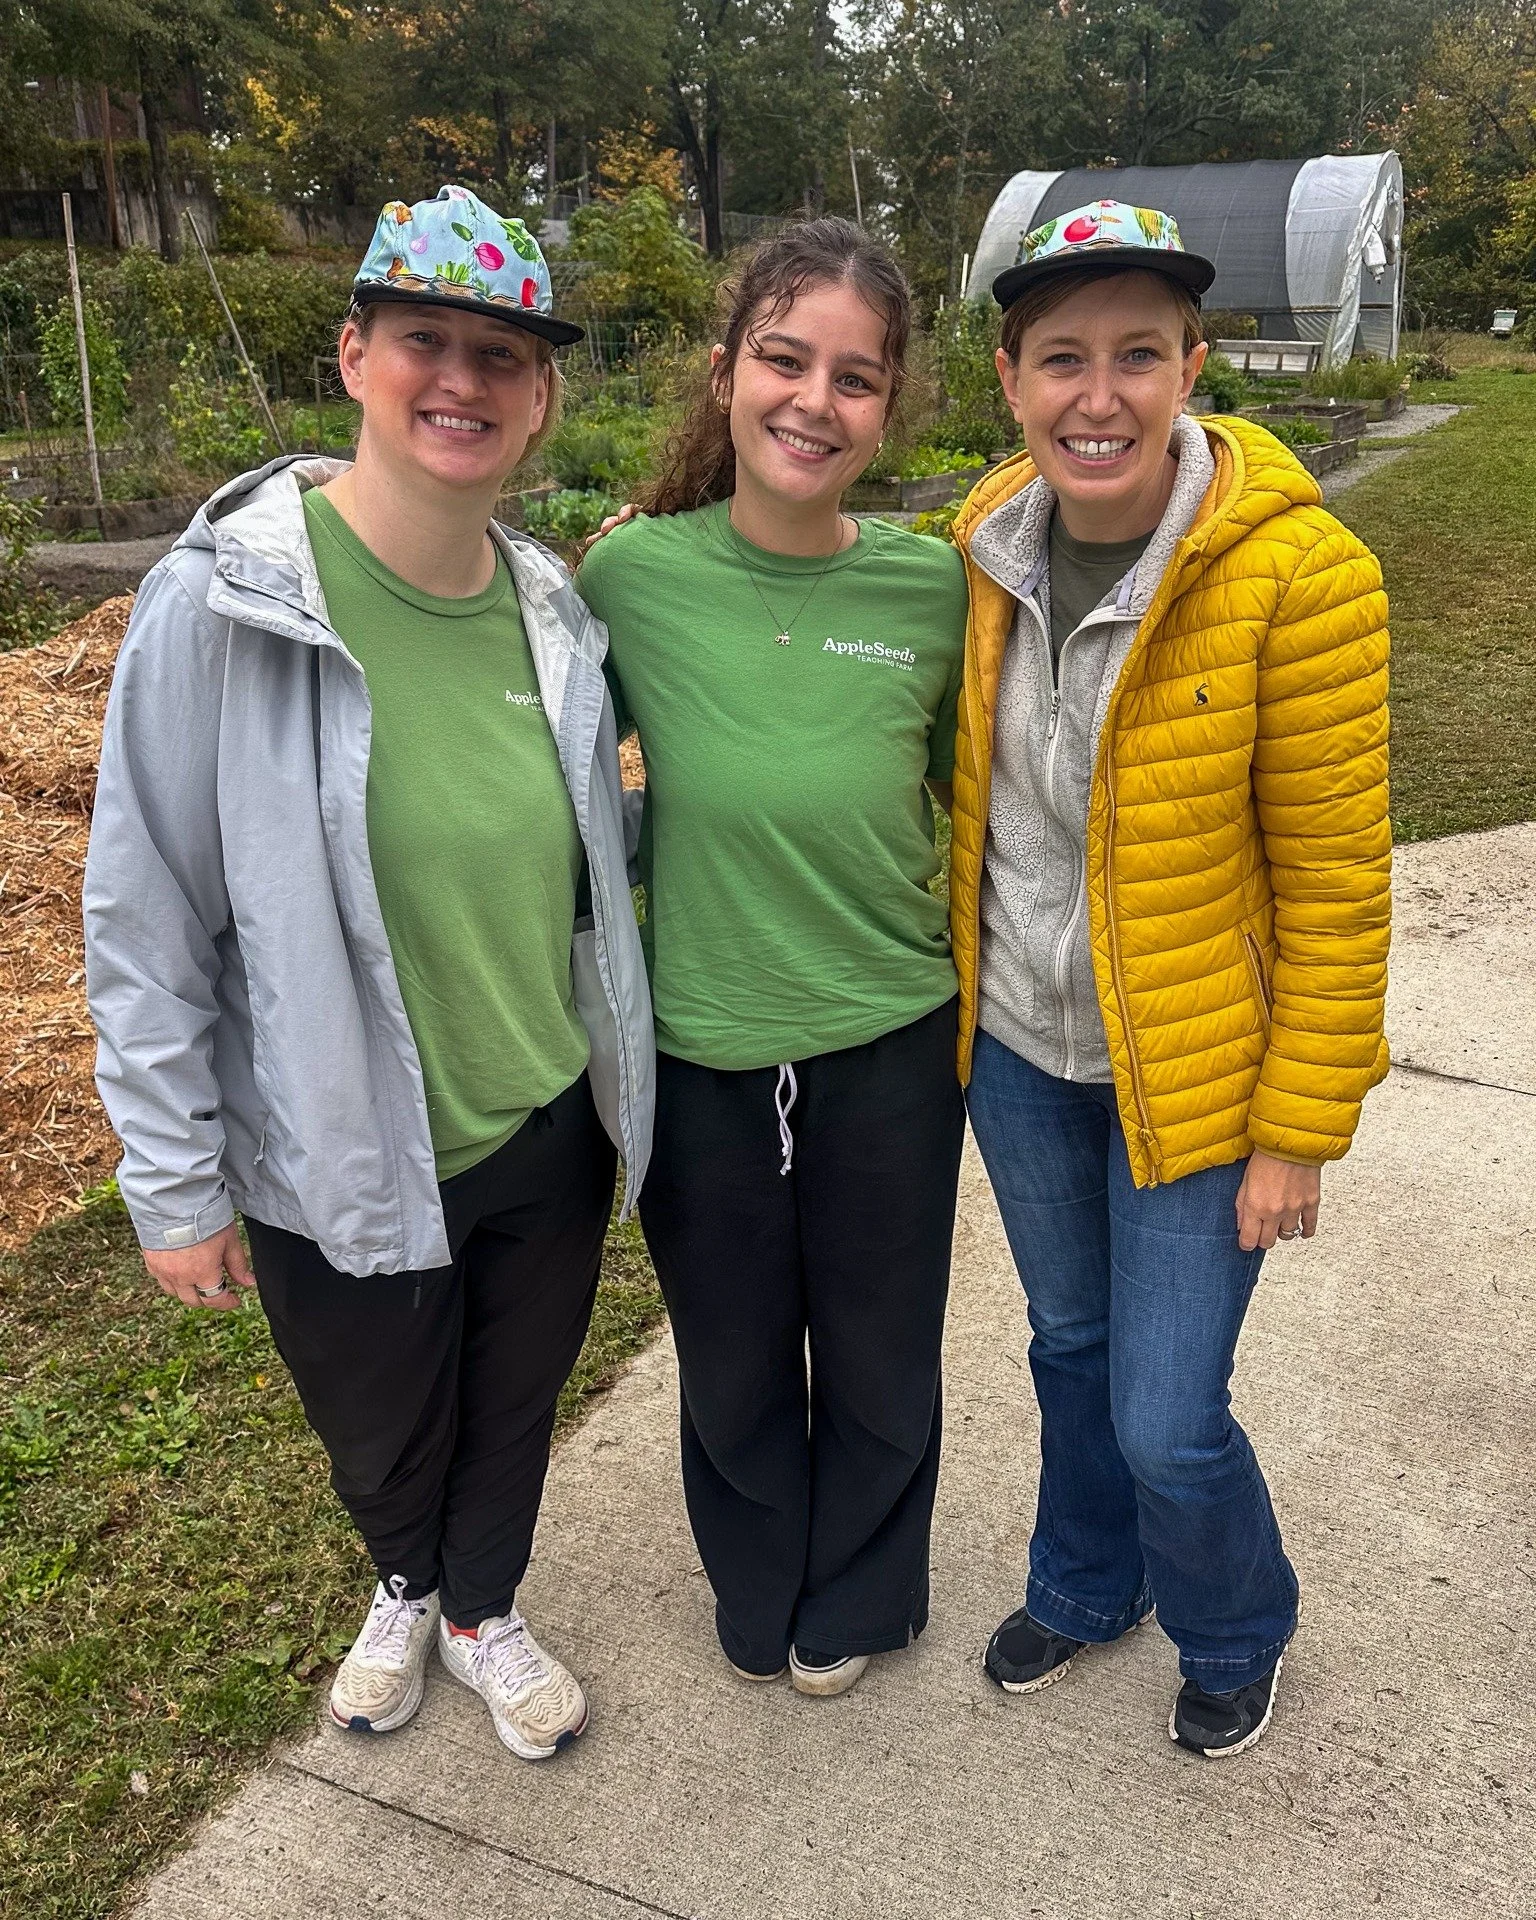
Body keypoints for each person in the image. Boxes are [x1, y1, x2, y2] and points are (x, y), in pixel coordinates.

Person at [83, 185, 653, 1764]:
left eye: (502, 356)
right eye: (426, 341)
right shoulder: (225, 604)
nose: (461, 380)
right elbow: (146, 913)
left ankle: (482, 1608)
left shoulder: (551, 611)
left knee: (516, 1397)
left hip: (543, 1117)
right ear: (355, 353)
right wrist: (173, 1178)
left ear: (542, 398)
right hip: (338, 1138)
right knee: (381, 1421)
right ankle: (404, 1580)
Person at [946, 200, 1390, 1756]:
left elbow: (1338, 881)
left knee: (1166, 1414)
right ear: (1010, 378)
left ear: (1193, 364)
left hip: (1202, 1073)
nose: (1100, 393)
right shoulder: (981, 553)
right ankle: (1083, 1585)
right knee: (1067, 1350)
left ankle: (1235, 1624)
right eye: (1062, 357)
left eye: (1140, 353)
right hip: (1018, 1050)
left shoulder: (1301, 578)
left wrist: (1299, 1127)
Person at [576, 219, 968, 1697]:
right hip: (703, 1048)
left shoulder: (930, 592)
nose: (815, 401)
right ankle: (760, 1584)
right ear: (729, 370)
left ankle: (855, 1599)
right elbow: (545, 767)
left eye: (855, 378)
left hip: (889, 1044)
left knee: (879, 1356)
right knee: (733, 1363)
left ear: (891, 405)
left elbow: (966, 796)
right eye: (786, 360)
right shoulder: (631, 578)